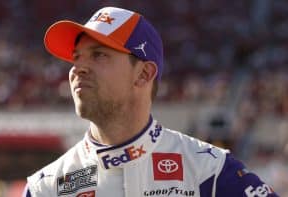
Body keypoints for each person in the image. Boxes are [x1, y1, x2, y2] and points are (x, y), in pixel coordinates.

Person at [23, 7, 279, 197]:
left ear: (144, 74)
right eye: (76, 58)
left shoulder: (208, 170)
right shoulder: (46, 187)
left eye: (98, 55)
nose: (78, 69)